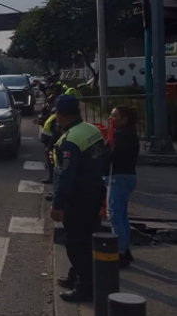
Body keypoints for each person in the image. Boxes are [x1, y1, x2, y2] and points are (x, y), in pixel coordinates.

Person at [50, 95, 107, 302]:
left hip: (78, 198)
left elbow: (66, 174)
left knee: (76, 243)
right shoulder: (91, 130)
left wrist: (57, 204)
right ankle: (76, 275)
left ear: (60, 113)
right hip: (94, 191)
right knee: (86, 238)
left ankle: (84, 287)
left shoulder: (71, 139)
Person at [104, 106, 140, 268]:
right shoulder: (129, 133)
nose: (111, 119)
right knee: (122, 216)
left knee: (115, 217)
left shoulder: (122, 136)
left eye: (115, 116)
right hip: (127, 176)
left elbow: (113, 155)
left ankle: (119, 253)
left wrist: (103, 152)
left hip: (118, 178)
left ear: (124, 119)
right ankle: (125, 249)